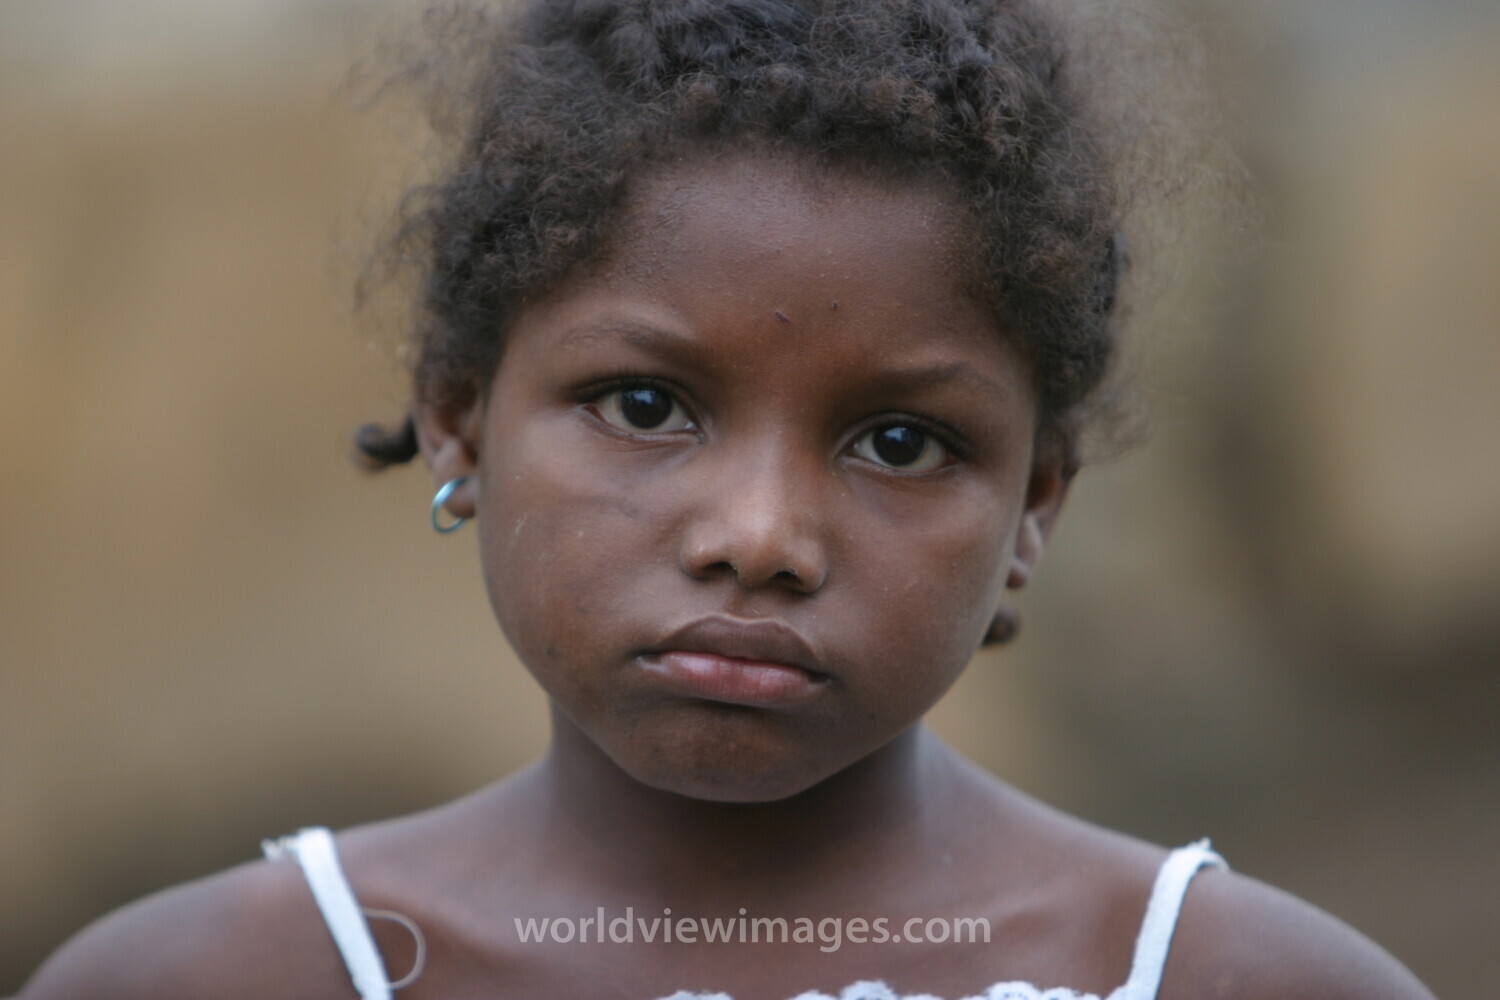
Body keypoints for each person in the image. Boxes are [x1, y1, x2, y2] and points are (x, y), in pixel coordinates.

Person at [17, 0, 1437, 997]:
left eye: (900, 441)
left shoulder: (1231, 982)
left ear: (1038, 507)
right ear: (457, 415)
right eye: (645, 408)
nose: (759, 538)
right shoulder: (220, 979)